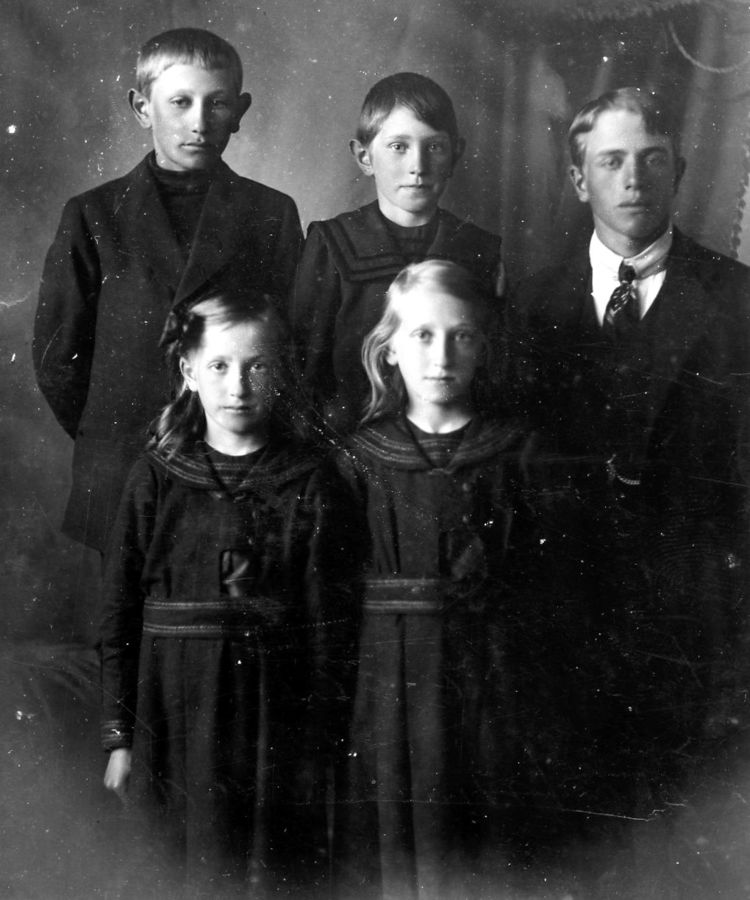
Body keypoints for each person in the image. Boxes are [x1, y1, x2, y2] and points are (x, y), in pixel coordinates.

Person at [507, 87, 750, 839]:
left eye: (652, 159)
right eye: (611, 161)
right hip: (567, 613)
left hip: (694, 615)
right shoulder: (530, 304)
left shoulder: (737, 298)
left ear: (680, 170)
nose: (634, 178)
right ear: (579, 179)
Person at [99, 290, 340, 897]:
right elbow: (118, 612)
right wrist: (120, 739)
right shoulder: (157, 476)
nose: (238, 386)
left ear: (280, 372)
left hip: (271, 712)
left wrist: (317, 746)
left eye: (257, 366)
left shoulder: (308, 481)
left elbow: (323, 625)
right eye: (219, 365)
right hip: (171, 708)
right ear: (188, 371)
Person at [33, 28, 303, 554]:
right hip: (123, 463)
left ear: (240, 111)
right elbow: (58, 361)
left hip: (236, 461)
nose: (199, 122)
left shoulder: (270, 213)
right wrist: (112, 434)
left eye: (217, 103)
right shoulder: (93, 215)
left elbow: (292, 344)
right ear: (142, 107)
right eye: (180, 102)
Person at [331, 260, 536, 899]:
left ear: (484, 348)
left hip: (492, 672)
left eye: (461, 336)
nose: (441, 356)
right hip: (388, 674)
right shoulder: (359, 457)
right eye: (422, 335)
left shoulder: (517, 450)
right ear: (389, 349)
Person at [290, 72, 503, 433]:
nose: (418, 165)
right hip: (352, 440)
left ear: (456, 154)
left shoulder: (479, 250)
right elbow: (305, 371)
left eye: (434, 147)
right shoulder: (332, 244)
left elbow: (493, 371)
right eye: (399, 147)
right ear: (364, 156)